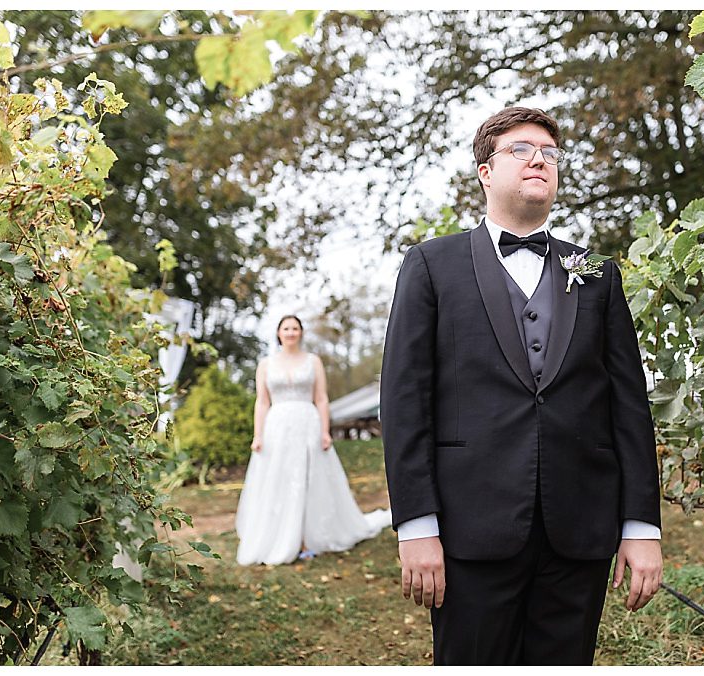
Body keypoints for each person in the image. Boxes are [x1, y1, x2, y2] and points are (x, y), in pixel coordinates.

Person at [381, 106, 663, 665]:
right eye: (521, 149)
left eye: (550, 153)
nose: (540, 159)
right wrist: (416, 526)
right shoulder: (432, 266)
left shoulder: (598, 274)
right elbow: (405, 403)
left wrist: (641, 527)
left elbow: (629, 407)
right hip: (468, 529)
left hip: (580, 529)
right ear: (485, 171)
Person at [235, 315, 391, 565]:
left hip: (307, 423)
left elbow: (321, 399)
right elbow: (262, 401)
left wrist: (325, 431)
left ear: (301, 333)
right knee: (279, 479)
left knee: (307, 479)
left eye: (295, 328)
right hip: (277, 426)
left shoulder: (313, 361)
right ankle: (280, 536)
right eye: (286, 328)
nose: (290, 332)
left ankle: (308, 538)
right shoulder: (265, 364)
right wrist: (258, 434)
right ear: (278, 333)